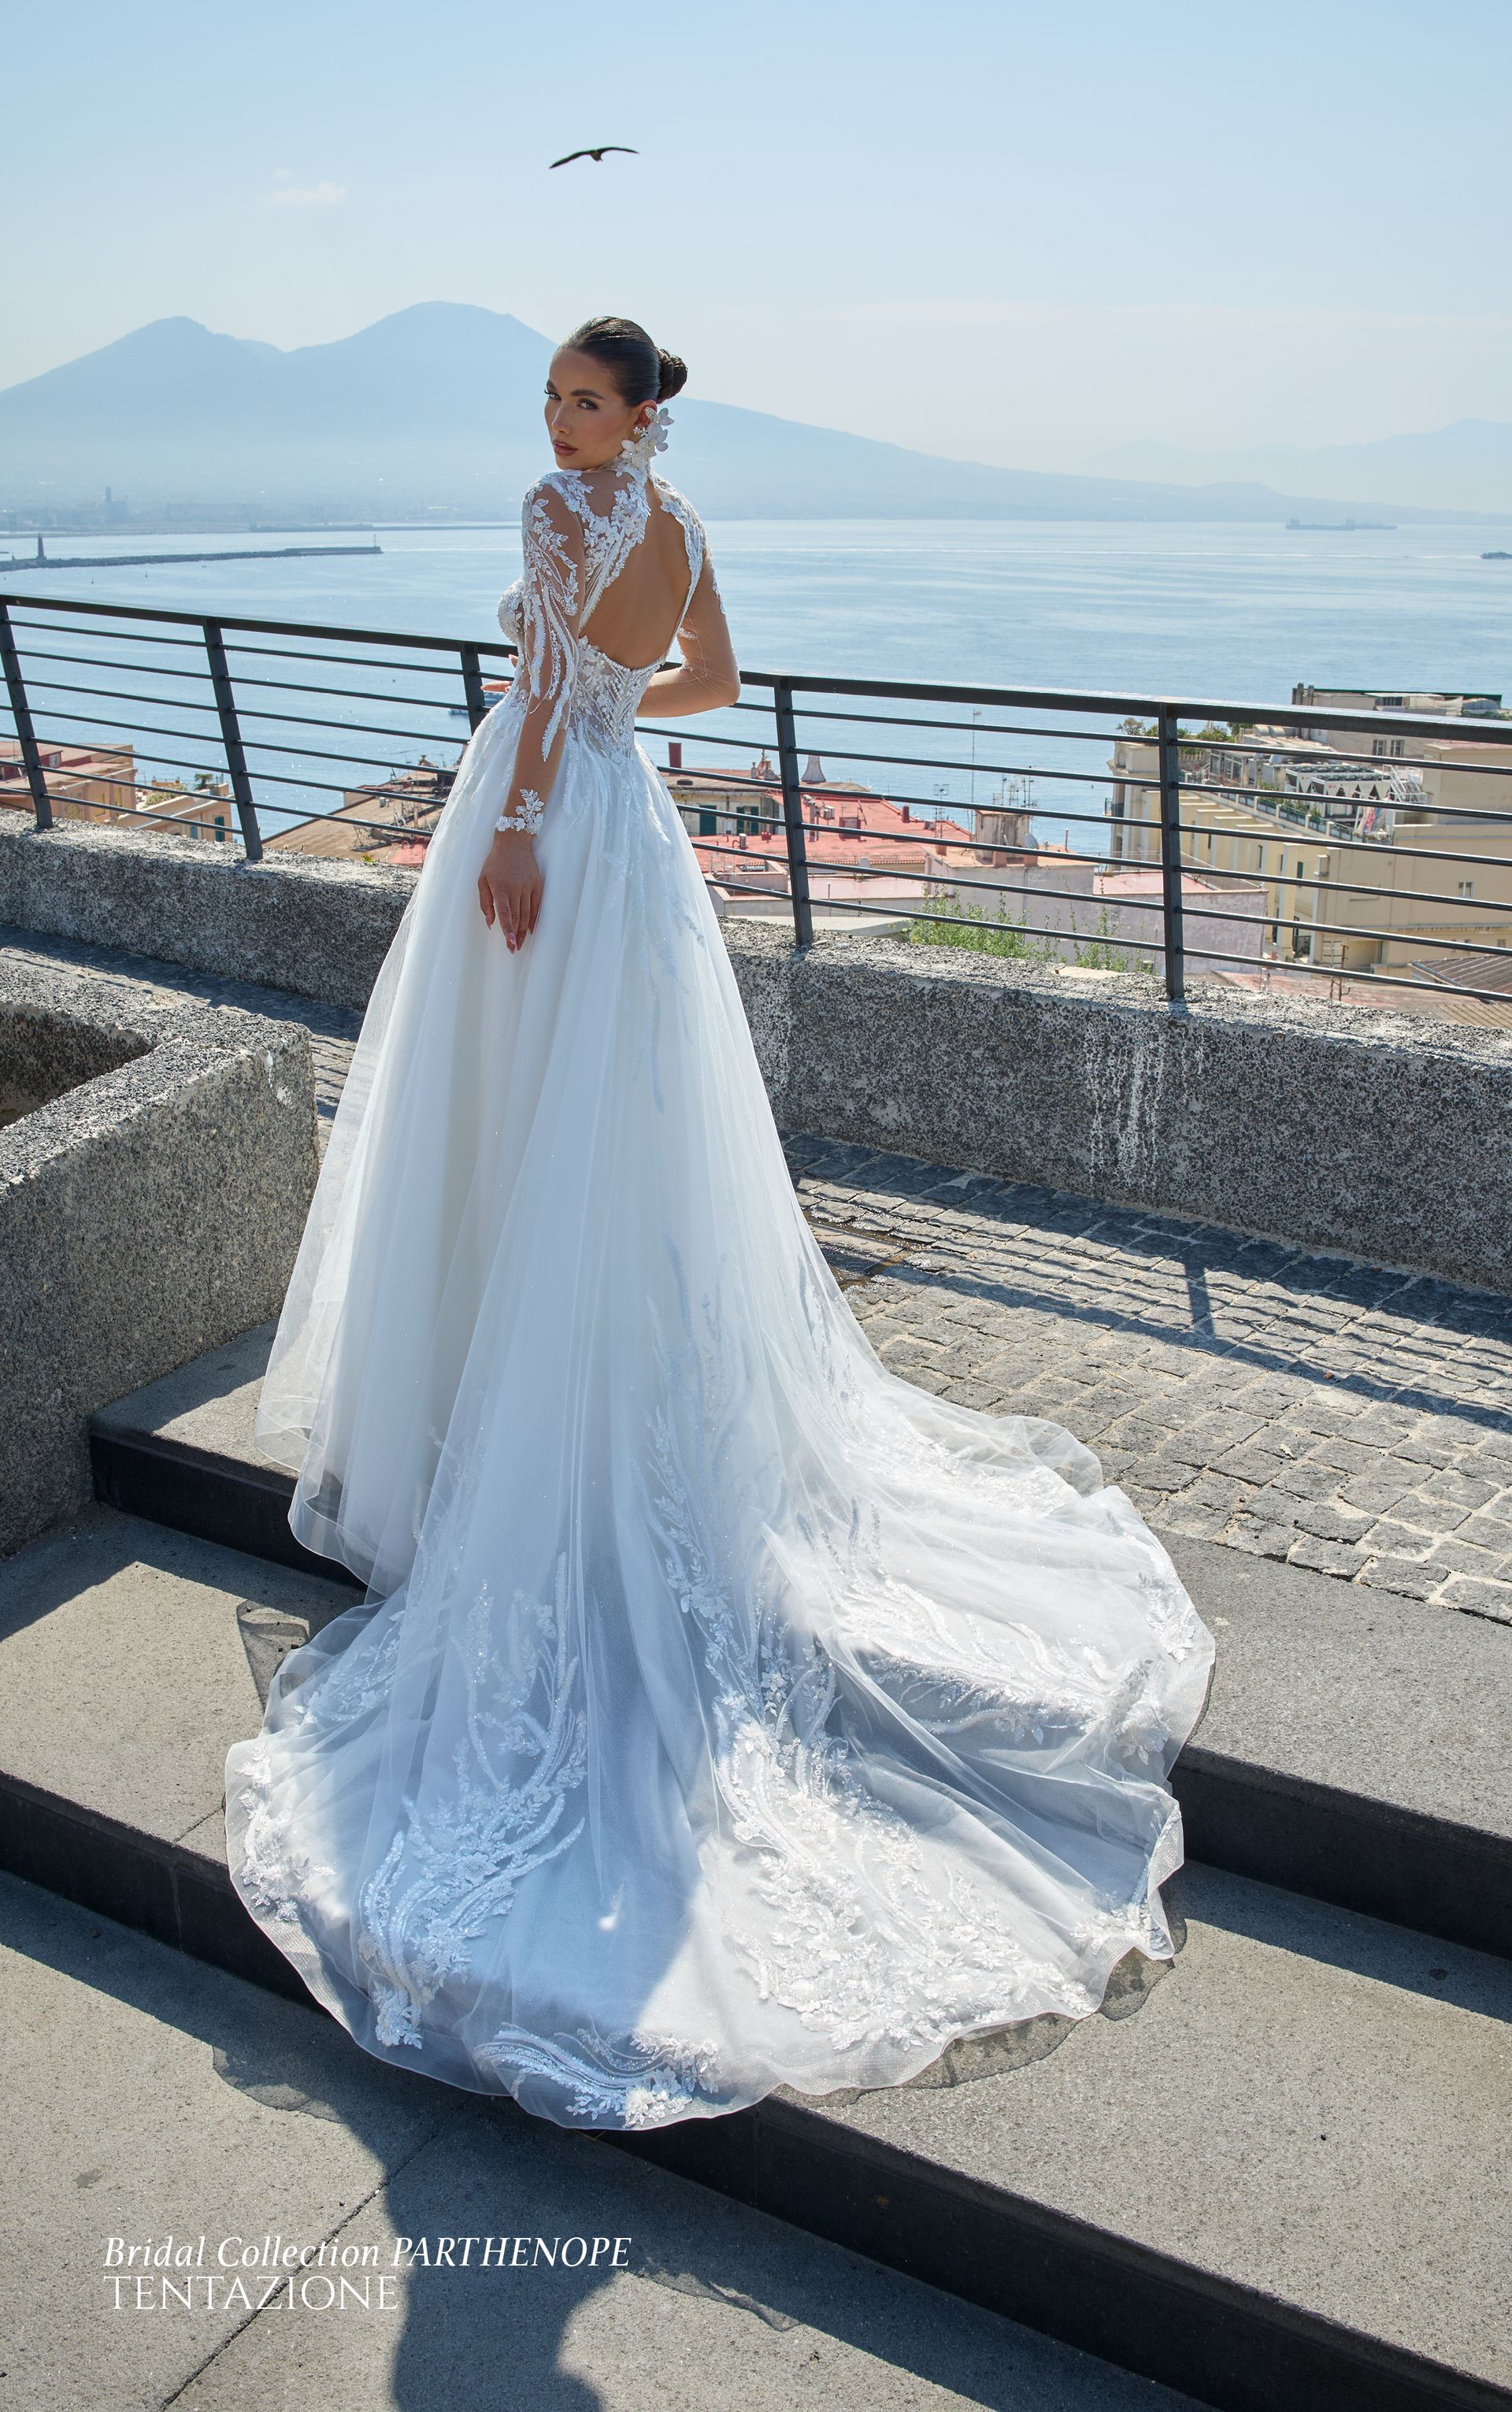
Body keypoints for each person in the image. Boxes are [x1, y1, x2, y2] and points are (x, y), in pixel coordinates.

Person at [225, 315, 1215, 2132]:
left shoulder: (557, 512)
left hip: (539, 830)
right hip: (630, 834)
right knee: (616, 1155)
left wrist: (523, 808)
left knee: (513, 1130)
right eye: (551, 399)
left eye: (584, 401)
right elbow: (704, 686)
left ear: (636, 412)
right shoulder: (681, 528)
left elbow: (536, 692)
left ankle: (474, 1437)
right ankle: (577, 1413)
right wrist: (599, 726)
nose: (557, 424)